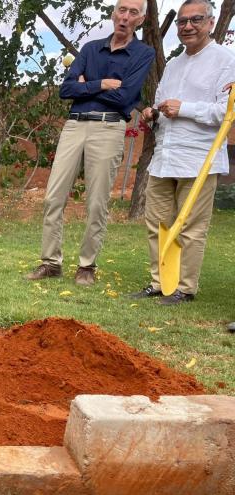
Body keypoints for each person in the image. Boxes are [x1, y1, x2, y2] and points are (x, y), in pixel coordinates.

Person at [26, 0, 154, 285]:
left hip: (109, 127)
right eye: (122, 10)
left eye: (133, 12)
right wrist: (102, 84)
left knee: (97, 202)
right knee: (52, 197)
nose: (125, 17)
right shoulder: (89, 48)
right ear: (113, 14)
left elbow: (126, 97)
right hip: (74, 125)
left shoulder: (143, 54)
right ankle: (51, 263)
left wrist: (86, 85)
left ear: (141, 19)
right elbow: (66, 89)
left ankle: (87, 266)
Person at [130, 0, 235, 305]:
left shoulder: (226, 61)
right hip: (165, 156)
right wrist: (153, 112)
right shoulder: (174, 64)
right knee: (157, 223)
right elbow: (163, 101)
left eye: (196, 20)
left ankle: (184, 288)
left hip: (198, 158)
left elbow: (225, 112)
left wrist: (184, 108)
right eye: (182, 22)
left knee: (191, 227)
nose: (187, 26)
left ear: (211, 23)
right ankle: (160, 282)